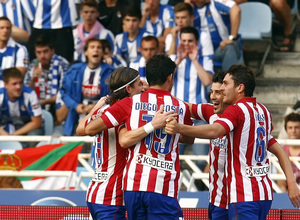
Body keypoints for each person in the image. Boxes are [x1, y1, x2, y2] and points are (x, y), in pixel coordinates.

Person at [165, 65, 300, 219]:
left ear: (240, 88)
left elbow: (215, 131)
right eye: (213, 91)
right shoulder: (262, 111)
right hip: (258, 194)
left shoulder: (235, 111)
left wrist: (179, 128)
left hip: (241, 195)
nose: (219, 91)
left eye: (224, 85)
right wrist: (158, 93)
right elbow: (279, 150)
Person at [84, 54, 194, 219]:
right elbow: (189, 138)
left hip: (132, 186)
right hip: (162, 186)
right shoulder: (179, 106)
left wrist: (96, 109)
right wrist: (167, 128)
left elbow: (89, 129)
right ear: (170, 77)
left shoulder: (128, 103)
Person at [76, 67, 145, 220]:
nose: (142, 88)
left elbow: (80, 129)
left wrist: (95, 108)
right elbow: (124, 140)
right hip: (111, 196)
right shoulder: (122, 114)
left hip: (96, 191)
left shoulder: (103, 111)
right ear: (128, 89)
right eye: (139, 84)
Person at [170, 26, 213, 171]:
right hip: (176, 114)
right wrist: (179, 59)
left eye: (190, 41)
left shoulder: (204, 59)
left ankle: (197, 190)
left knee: (200, 160)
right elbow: (165, 79)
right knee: (172, 156)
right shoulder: (172, 60)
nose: (187, 44)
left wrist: (195, 60)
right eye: (183, 41)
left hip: (199, 115)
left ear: (197, 42)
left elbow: (207, 81)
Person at [60, 38, 115, 136]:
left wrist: (98, 107)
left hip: (101, 119)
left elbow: (115, 95)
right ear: (86, 52)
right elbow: (64, 92)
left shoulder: (111, 72)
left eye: (99, 48)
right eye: (92, 47)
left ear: (102, 53)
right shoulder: (74, 70)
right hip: (76, 118)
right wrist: (75, 105)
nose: (96, 50)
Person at [189, 0, 243, 71]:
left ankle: (231, 79)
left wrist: (231, 37)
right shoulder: (189, 7)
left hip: (219, 48)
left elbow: (236, 10)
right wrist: (188, 8)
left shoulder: (215, 2)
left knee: (229, 47)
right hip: (199, 50)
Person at [23, 34, 69, 117]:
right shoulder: (33, 65)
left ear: (52, 51)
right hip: (36, 110)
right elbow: (26, 92)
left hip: (57, 109)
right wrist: (33, 79)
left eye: (45, 51)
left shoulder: (62, 64)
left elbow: (65, 93)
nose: (42, 56)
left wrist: (44, 101)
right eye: (39, 52)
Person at [0, 68, 42, 148]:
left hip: (27, 128)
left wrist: (13, 136)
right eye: (14, 84)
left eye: (20, 83)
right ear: (6, 85)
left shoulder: (30, 94)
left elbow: (37, 123)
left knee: (34, 137)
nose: (18, 87)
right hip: (6, 128)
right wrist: (5, 135)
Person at [0, 16, 29, 86]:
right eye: (2, 28)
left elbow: (18, 77)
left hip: (10, 92)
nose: (5, 30)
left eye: (8, 28)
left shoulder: (20, 49)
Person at [277, 112, 300, 192]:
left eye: (296, 127)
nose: (293, 131)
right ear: (286, 130)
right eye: (290, 128)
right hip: (288, 192)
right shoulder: (282, 150)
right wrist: (284, 193)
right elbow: (280, 178)